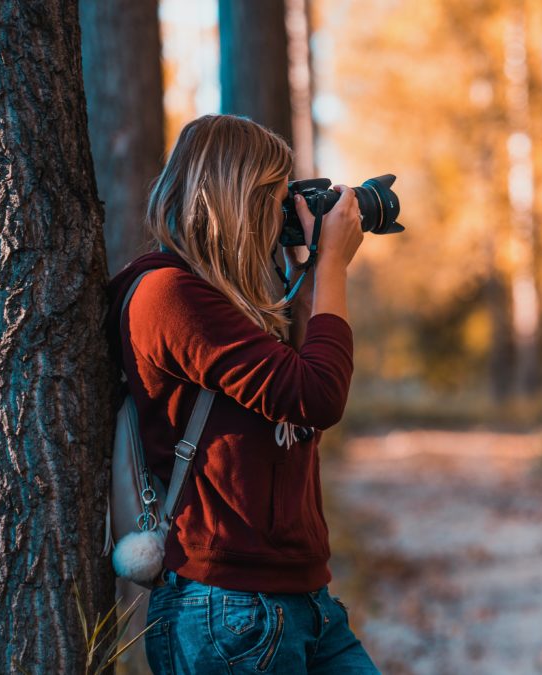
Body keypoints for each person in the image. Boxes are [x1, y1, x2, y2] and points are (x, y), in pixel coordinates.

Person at [105, 114, 379, 674]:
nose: (284, 216)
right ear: (240, 199)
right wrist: (331, 265)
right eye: (279, 201)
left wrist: (304, 261)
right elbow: (318, 395)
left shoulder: (232, 300)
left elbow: (305, 385)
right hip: (227, 608)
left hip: (303, 600)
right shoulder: (168, 294)